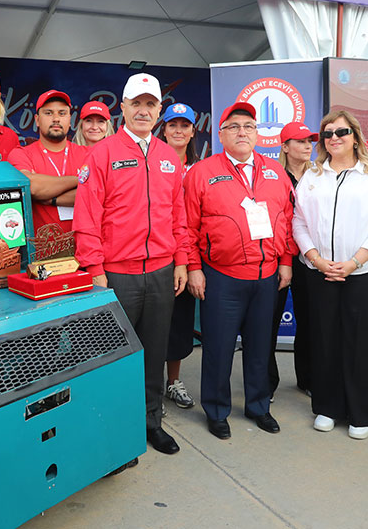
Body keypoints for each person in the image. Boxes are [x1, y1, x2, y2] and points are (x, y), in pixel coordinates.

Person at [76, 72, 192, 455]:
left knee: (153, 352)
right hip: (116, 275)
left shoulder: (166, 157)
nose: (143, 110)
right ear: (122, 108)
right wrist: (95, 270)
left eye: (150, 104)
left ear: (159, 110)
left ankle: (151, 422)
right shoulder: (103, 152)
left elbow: (178, 215)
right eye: (136, 103)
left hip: (160, 272)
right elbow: (87, 217)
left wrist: (179, 261)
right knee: (110, 355)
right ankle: (109, 429)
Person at [182, 101, 294, 439]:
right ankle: (216, 410)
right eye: (233, 126)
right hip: (221, 276)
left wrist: (286, 261)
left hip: (266, 275)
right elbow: (186, 226)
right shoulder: (201, 172)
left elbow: (288, 221)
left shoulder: (275, 172)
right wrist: (192, 268)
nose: (241, 132)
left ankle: (259, 406)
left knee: (261, 346)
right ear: (221, 134)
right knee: (218, 347)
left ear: (258, 134)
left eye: (248, 126)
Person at [292, 109, 368, 439]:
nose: (334, 139)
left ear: (355, 136)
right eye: (327, 134)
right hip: (319, 271)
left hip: (364, 272)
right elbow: (299, 222)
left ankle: (360, 412)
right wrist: (316, 258)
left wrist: (353, 262)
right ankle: (327, 406)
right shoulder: (312, 176)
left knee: (362, 343)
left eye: (341, 132)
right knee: (324, 340)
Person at [6, 90, 84, 261]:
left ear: (70, 119)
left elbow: (96, 194)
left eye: (62, 113)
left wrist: (51, 198)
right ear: (37, 120)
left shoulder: (88, 154)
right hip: (41, 257)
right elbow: (33, 186)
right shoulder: (21, 154)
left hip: (84, 255)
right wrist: (79, 179)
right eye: (48, 113)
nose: (56, 118)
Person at [158, 102, 200, 410]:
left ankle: (173, 381)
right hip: (156, 253)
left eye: (184, 125)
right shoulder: (151, 162)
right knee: (149, 324)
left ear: (192, 131)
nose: (178, 130)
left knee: (179, 322)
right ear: (164, 129)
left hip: (186, 253)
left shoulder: (201, 168)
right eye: (173, 124)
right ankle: (145, 384)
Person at [271, 121, 318, 396]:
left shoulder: (319, 176)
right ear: (285, 147)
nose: (307, 146)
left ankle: (308, 379)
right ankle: (267, 383)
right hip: (279, 258)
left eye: (309, 141)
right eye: (300, 141)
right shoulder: (273, 175)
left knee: (310, 320)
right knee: (270, 322)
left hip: (309, 257)